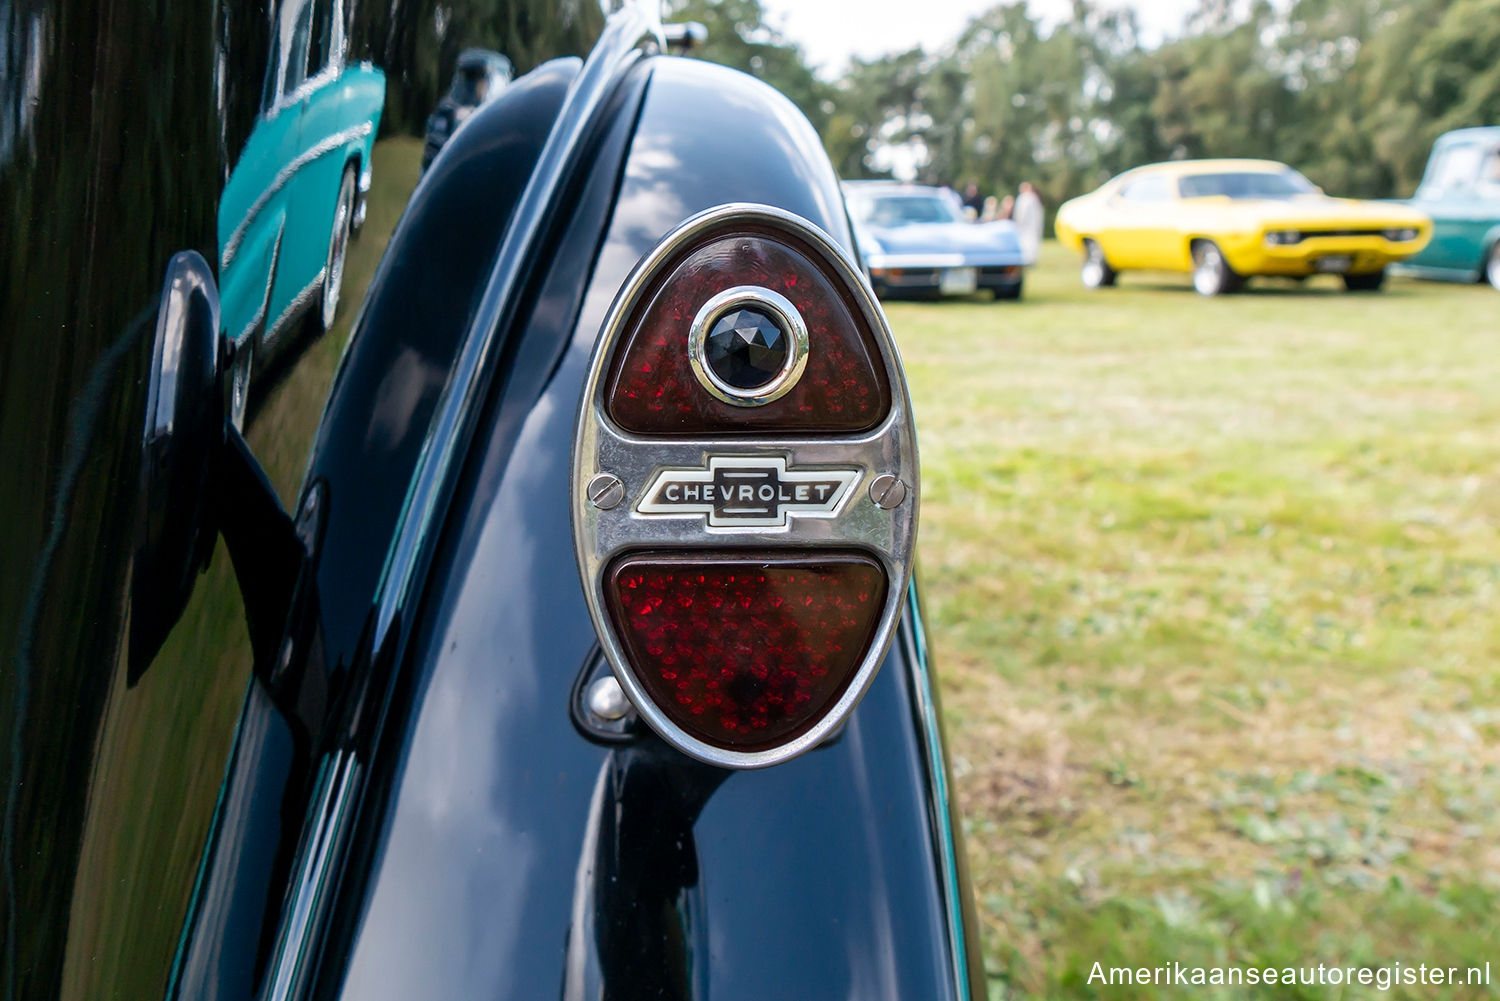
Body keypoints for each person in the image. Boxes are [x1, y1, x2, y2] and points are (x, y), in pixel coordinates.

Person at [1013, 181, 1044, 264]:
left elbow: (1021, 214)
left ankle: (1029, 259)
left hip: (1027, 225)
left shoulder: (1026, 198)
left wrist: (1019, 222)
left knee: (1028, 242)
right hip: (1031, 225)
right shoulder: (1033, 198)